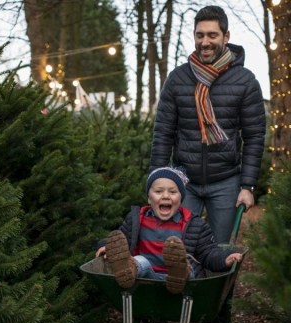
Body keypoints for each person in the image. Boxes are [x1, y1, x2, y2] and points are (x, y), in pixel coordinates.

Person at [149, 5, 266, 244]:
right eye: (199, 35)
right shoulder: (178, 79)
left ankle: (218, 284)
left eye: (212, 35)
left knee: (220, 251)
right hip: (184, 182)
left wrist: (248, 186)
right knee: (178, 249)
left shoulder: (245, 81)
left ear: (226, 37)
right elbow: (163, 133)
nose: (205, 42)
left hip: (226, 182)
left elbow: (254, 136)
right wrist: (157, 184)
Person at [95, 167, 243, 294]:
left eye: (172, 192)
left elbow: (208, 253)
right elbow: (121, 242)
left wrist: (224, 259)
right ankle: (128, 270)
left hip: (184, 283)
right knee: (139, 261)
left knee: (186, 267)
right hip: (146, 279)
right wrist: (105, 246)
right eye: (159, 191)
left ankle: (178, 272)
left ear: (181, 198)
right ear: (149, 198)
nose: (166, 196)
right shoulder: (136, 220)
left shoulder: (195, 224)